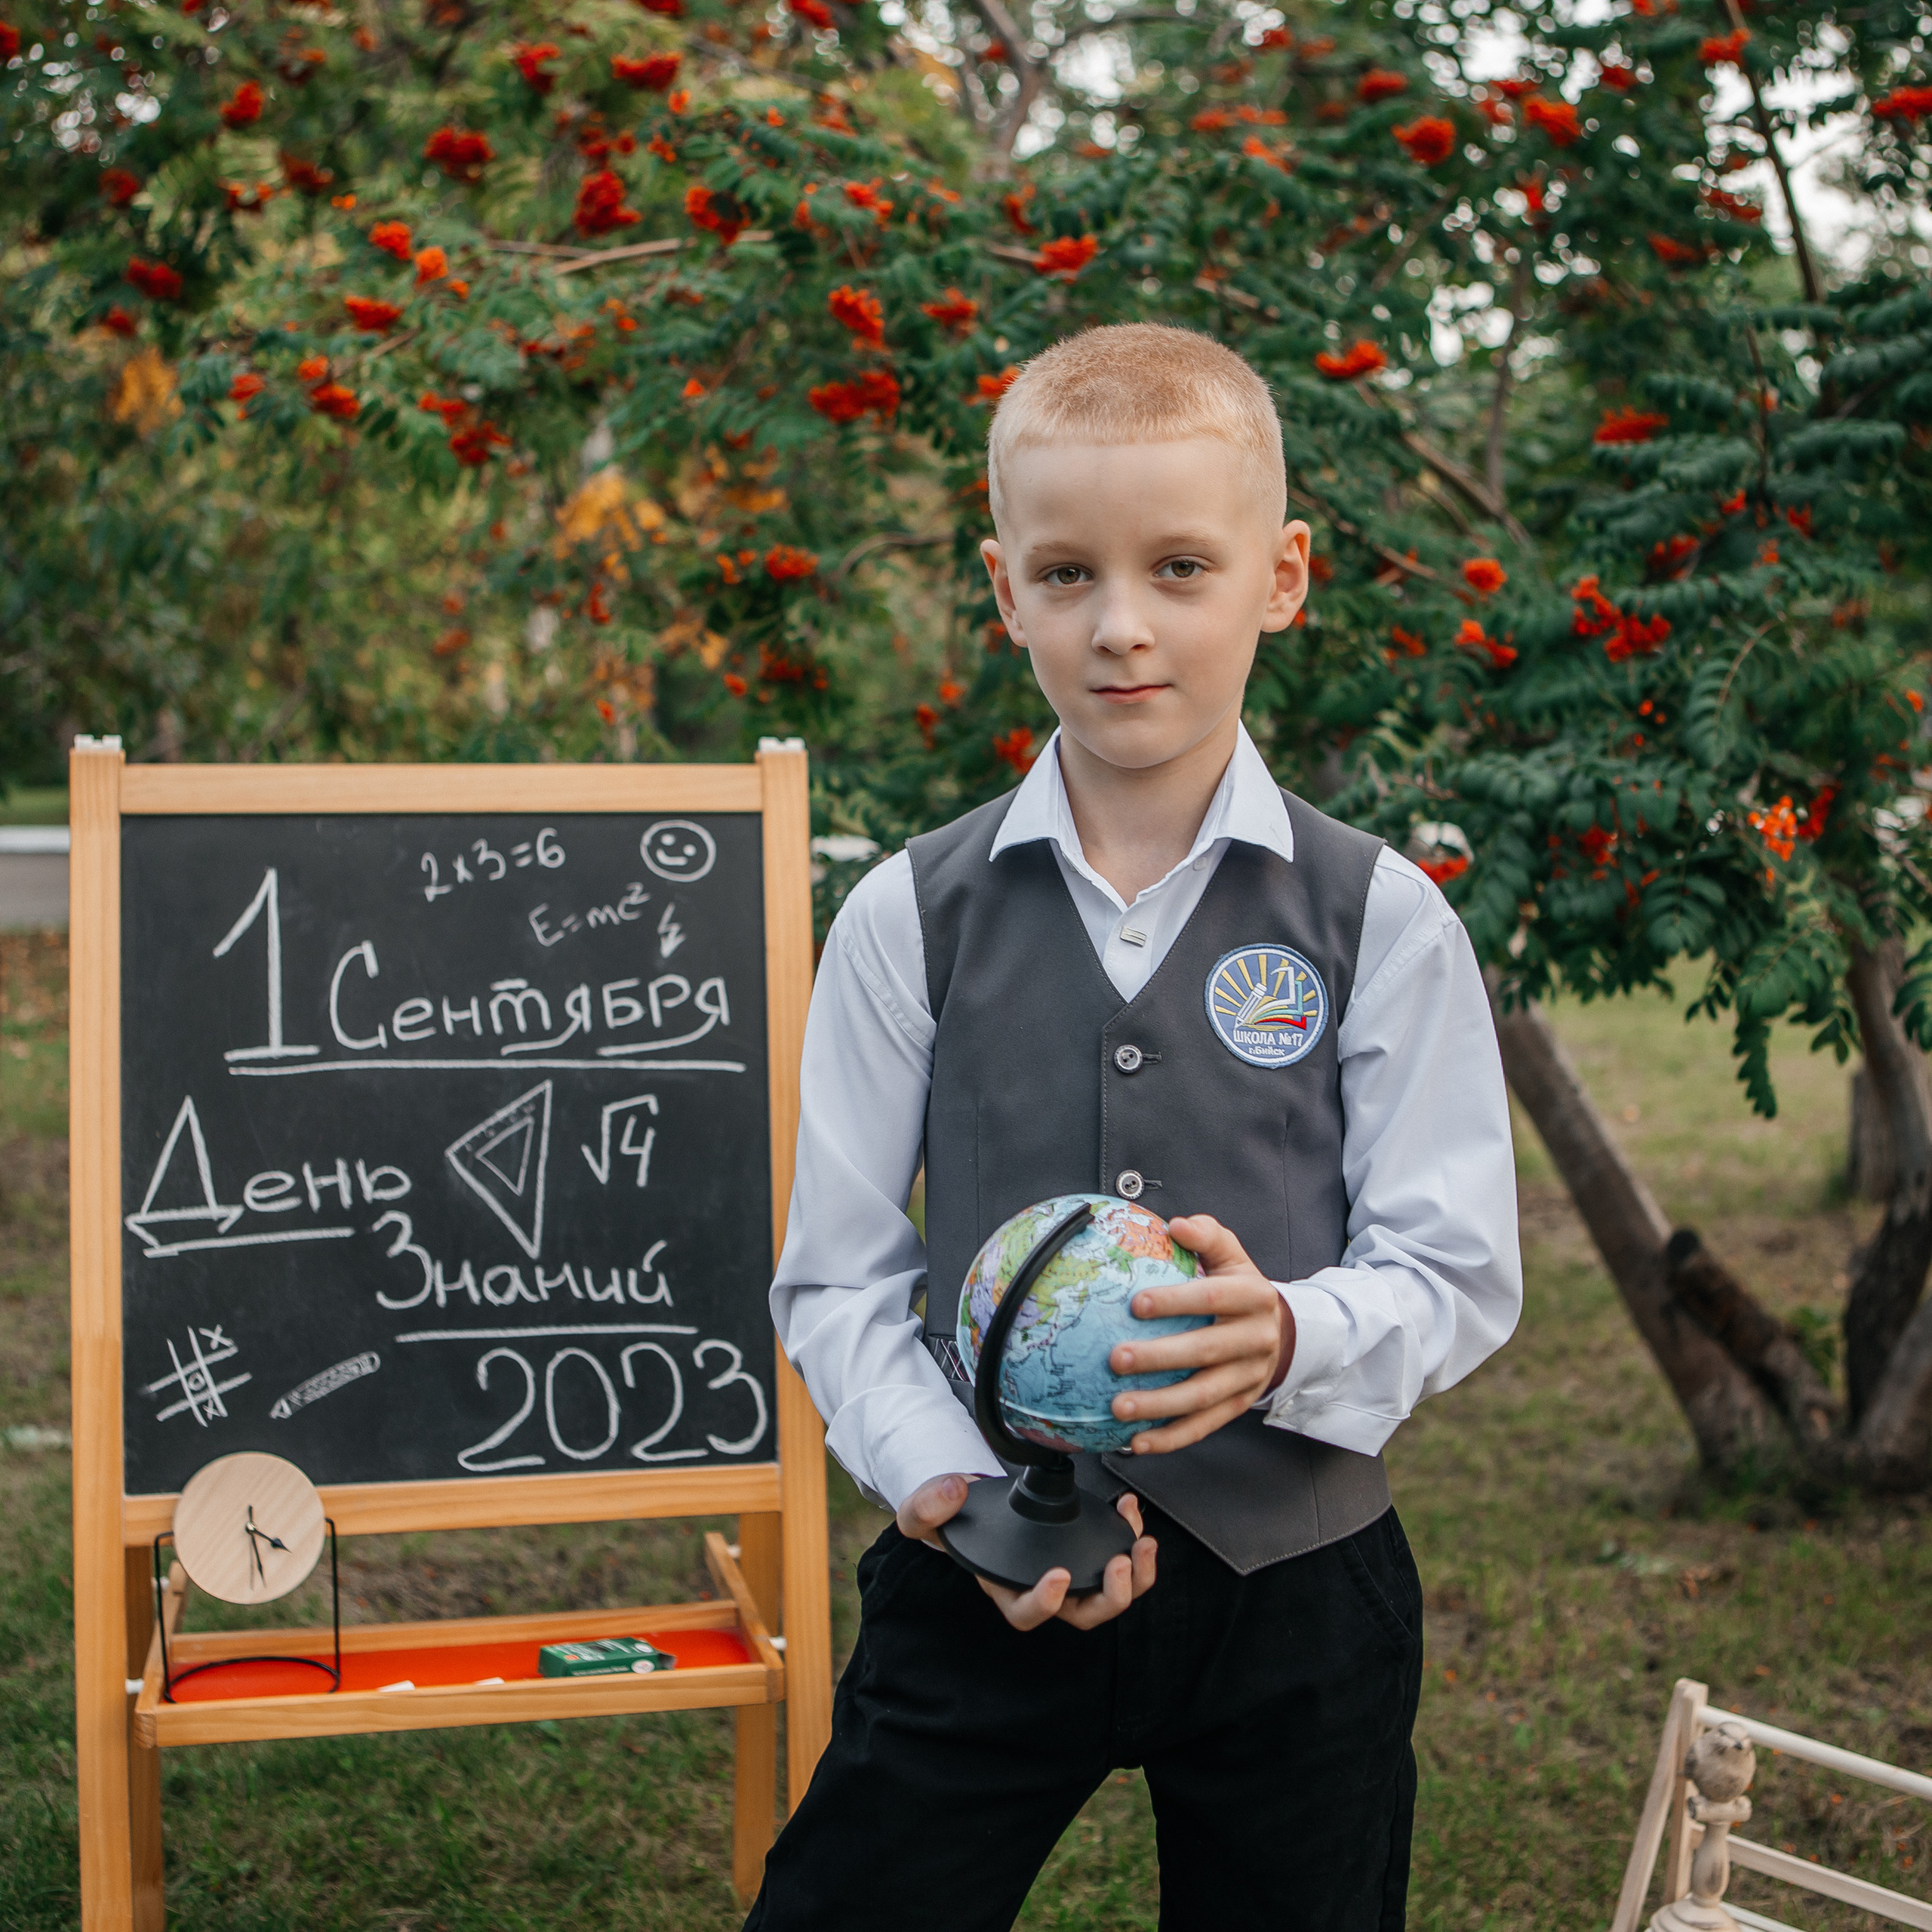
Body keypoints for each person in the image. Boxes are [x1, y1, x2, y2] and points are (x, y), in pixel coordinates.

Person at [746, 323, 1521, 1931]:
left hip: (1294, 1590)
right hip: (977, 1580)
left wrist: (1285, 1333)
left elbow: (1451, 1266)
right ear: (1002, 587)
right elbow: (834, 1276)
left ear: (1281, 575)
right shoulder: (909, 911)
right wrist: (952, 1486)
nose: (1120, 626)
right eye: (1064, 573)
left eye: (1179, 567)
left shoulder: (1377, 914)